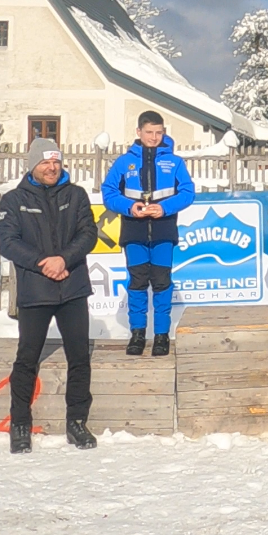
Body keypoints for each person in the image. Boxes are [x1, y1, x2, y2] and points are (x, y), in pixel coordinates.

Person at [0, 139, 98, 453]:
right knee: (27, 359)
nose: (51, 167)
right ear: (32, 165)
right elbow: (8, 243)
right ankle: (20, 424)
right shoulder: (13, 200)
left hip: (72, 288)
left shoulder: (76, 194)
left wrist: (64, 259)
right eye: (44, 163)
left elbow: (88, 234)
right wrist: (45, 263)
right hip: (35, 291)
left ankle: (77, 423)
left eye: (56, 162)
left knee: (79, 358)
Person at [102, 111, 195, 357]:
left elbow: (188, 193)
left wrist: (164, 207)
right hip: (134, 231)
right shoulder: (124, 162)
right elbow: (109, 192)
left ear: (164, 132)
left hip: (163, 230)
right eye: (149, 132)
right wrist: (129, 207)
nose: (154, 137)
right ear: (139, 133)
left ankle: (162, 335)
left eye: (159, 132)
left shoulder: (174, 162)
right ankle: (138, 333)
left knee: (162, 283)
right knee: (138, 282)